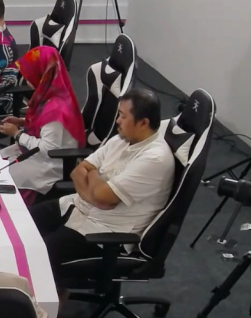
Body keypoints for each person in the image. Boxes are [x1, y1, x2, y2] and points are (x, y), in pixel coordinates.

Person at [28, 89, 175, 281]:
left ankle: (54, 295)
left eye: (123, 116)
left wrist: (93, 176)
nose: (117, 121)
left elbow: (102, 194)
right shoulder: (122, 138)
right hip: (75, 205)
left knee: (36, 255)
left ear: (143, 123)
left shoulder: (154, 159)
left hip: (102, 232)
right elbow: (78, 170)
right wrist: (95, 190)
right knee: (22, 224)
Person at [0, 46, 86, 206]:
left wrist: (17, 134)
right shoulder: (49, 94)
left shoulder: (56, 109)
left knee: (0, 178)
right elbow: (44, 126)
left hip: (50, 164)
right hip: (35, 153)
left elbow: (48, 148)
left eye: (29, 74)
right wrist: (21, 122)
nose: (26, 79)